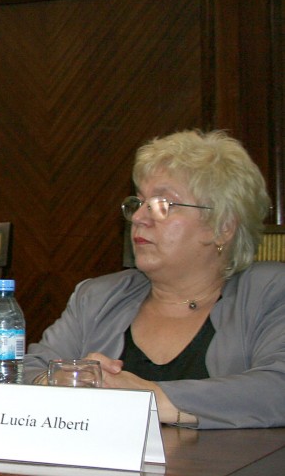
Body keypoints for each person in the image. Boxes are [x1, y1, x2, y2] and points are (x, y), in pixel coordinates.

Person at [25, 130, 285, 429]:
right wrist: (57, 379)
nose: (138, 217)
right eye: (138, 203)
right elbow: (25, 371)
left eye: (163, 204)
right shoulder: (98, 297)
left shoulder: (271, 292)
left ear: (222, 227)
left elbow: (277, 387)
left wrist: (148, 398)